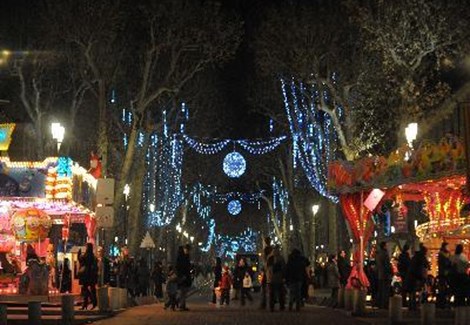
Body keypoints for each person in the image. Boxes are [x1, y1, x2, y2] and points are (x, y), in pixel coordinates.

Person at [405, 244, 429, 311]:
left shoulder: (415, 256)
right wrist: (422, 277)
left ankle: (411, 305)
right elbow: (424, 266)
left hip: (412, 275)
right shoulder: (421, 257)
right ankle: (414, 305)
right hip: (415, 276)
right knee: (414, 291)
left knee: (411, 292)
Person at [78, 243, 98, 310]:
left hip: (86, 275)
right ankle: (92, 302)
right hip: (92, 275)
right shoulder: (93, 256)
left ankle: (88, 302)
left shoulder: (86, 255)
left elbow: (80, 260)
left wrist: (79, 253)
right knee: (92, 289)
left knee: (85, 288)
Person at [267, 245, 286, 312]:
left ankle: (273, 306)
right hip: (277, 278)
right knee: (279, 293)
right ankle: (280, 306)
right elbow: (283, 268)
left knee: (274, 294)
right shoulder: (280, 258)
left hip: (273, 278)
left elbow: (268, 268)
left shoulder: (270, 258)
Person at [175, 244, 192, 311]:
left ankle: (182, 305)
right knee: (182, 292)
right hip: (182, 277)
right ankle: (179, 304)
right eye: (187, 250)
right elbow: (180, 267)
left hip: (185, 276)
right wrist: (182, 275)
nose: (188, 251)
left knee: (184, 292)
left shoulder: (185, 256)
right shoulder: (181, 257)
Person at [376, 241, 391, 309]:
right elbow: (387, 265)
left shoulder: (379, 254)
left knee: (381, 289)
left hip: (380, 274)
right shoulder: (385, 254)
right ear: (384, 246)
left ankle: (380, 303)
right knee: (385, 290)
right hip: (385, 274)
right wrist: (390, 271)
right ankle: (384, 304)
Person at [436, 242, 451, 308]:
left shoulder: (447, 254)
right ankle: (442, 301)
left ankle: (444, 301)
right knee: (442, 287)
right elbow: (445, 263)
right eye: (447, 246)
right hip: (443, 273)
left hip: (446, 273)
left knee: (444, 287)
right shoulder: (442, 254)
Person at [260, 236, 273, 309]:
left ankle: (264, 303)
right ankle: (271, 303)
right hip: (271, 270)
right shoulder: (272, 250)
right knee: (270, 288)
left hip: (267, 270)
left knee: (264, 287)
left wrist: (263, 269)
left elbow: (265, 261)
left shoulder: (266, 250)